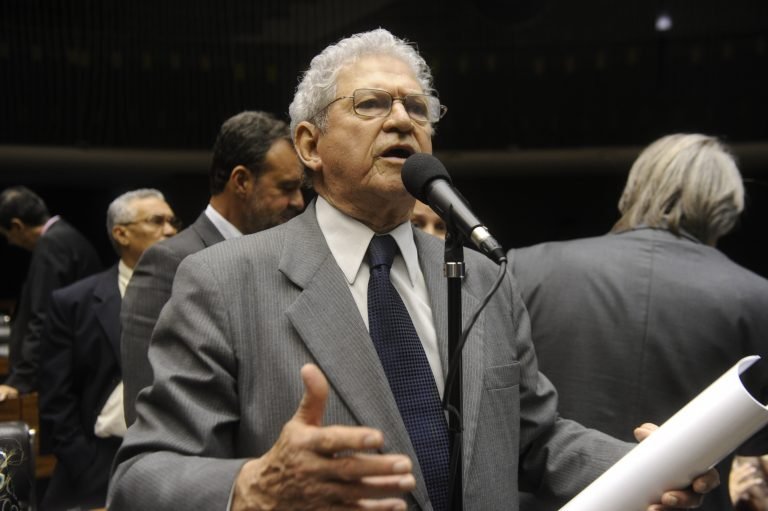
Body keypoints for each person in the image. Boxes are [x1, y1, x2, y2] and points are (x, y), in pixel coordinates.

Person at [109, 30, 717, 511]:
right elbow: (141, 475)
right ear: (310, 145)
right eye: (372, 104)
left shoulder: (482, 278)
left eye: (418, 108)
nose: (402, 120)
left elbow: (533, 438)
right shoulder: (222, 281)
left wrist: (650, 465)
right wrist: (251, 487)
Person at [508, 133, 768, 511]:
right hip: (682, 502)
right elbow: (756, 437)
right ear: (726, 209)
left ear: (633, 190)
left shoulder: (526, 267)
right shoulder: (757, 298)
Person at [120, 110, 305, 424]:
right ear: (241, 181)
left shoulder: (286, 259)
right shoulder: (168, 263)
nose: (299, 201)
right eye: (286, 188)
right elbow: (146, 408)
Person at [38, 188, 178, 510]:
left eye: (173, 221)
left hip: (175, 458)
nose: (170, 230)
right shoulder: (75, 302)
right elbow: (56, 397)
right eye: (157, 221)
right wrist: (84, 464)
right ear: (121, 234)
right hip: (98, 461)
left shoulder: (192, 292)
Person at [0, 186, 101, 400]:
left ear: (17, 226)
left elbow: (43, 315)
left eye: (6, 234)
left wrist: (21, 380)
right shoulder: (67, 236)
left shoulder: (51, 244)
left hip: (61, 374)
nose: (9, 242)